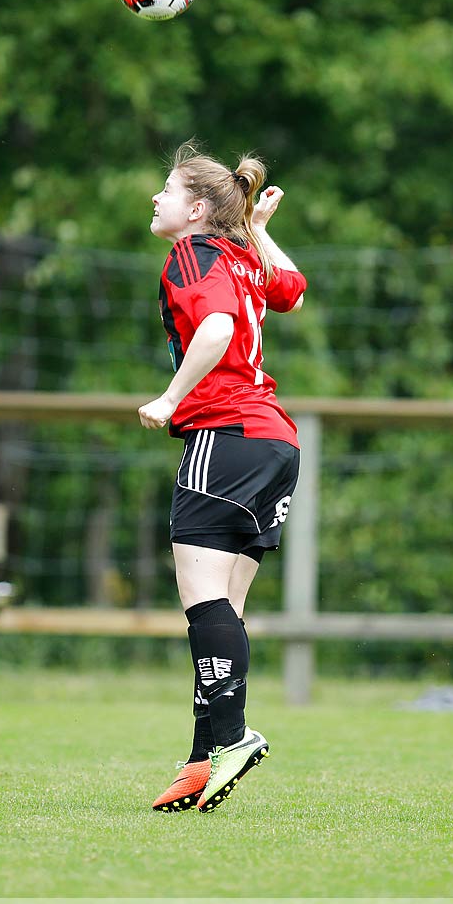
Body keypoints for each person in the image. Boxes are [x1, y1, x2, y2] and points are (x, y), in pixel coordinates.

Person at [138, 141, 306, 814]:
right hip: (275, 443)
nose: (157, 198)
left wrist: (170, 399)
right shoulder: (242, 255)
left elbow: (213, 327)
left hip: (226, 437)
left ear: (198, 208)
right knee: (223, 610)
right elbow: (291, 291)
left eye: (169, 189)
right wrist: (263, 233)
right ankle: (201, 761)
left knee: (201, 601)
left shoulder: (193, 254)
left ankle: (231, 739)